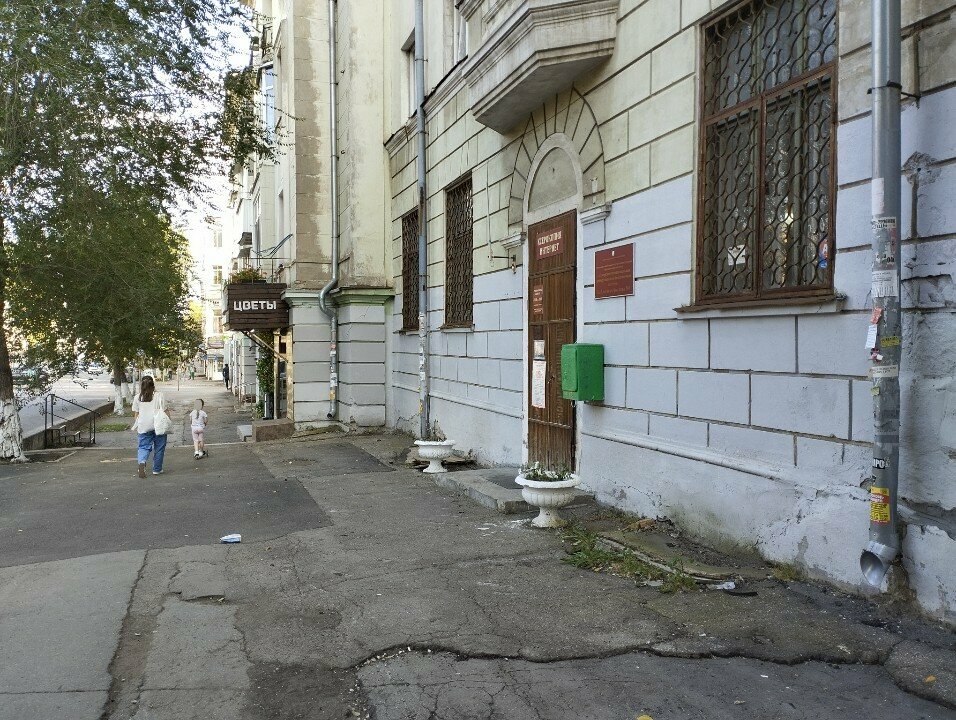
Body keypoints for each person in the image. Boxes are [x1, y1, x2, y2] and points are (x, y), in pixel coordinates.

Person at [131, 375, 171, 478]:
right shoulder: (159, 395)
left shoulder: (137, 397)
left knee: (143, 447)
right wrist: (168, 422)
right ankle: (157, 469)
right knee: (159, 448)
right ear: (153, 385)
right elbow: (165, 411)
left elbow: (136, 414)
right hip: (159, 425)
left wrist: (138, 425)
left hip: (144, 426)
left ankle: (142, 462)